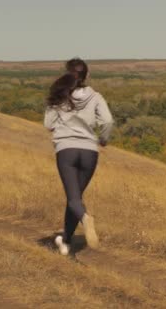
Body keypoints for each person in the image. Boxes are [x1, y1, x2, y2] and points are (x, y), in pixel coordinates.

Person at [44, 58, 114, 255]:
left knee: (74, 199)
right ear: (87, 75)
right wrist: (103, 140)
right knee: (75, 198)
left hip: (66, 150)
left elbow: (48, 124)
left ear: (66, 73)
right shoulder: (96, 96)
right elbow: (108, 121)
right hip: (89, 152)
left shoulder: (60, 95)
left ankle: (85, 218)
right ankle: (66, 242)